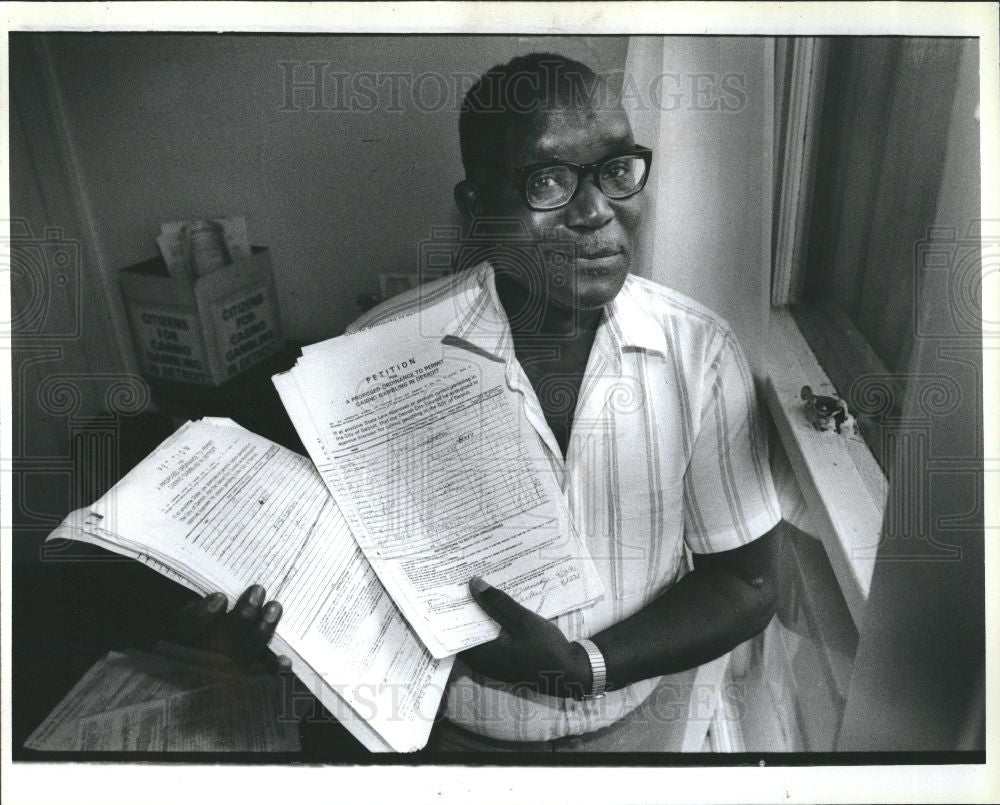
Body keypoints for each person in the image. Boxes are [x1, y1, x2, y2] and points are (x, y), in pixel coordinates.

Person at [180, 52, 782, 752]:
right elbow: (335, 574)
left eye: (617, 171)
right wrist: (265, 621)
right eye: (549, 180)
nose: (596, 212)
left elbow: (745, 581)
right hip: (448, 741)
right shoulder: (378, 351)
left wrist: (588, 667)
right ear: (478, 207)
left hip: (632, 735)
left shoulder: (699, 354)